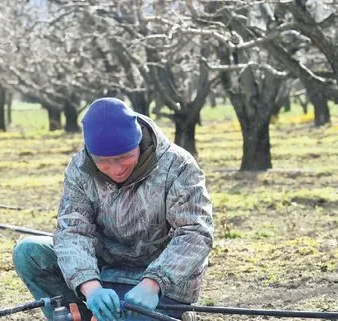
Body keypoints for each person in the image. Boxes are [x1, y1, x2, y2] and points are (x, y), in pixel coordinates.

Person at [13, 97, 213, 321]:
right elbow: (73, 231)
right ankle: (84, 313)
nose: (116, 169)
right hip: (103, 273)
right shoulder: (79, 169)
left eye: (124, 157)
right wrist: (90, 286)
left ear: (138, 142)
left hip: (160, 287)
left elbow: (195, 232)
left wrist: (154, 282)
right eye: (104, 161)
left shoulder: (178, 165)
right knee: (29, 252)